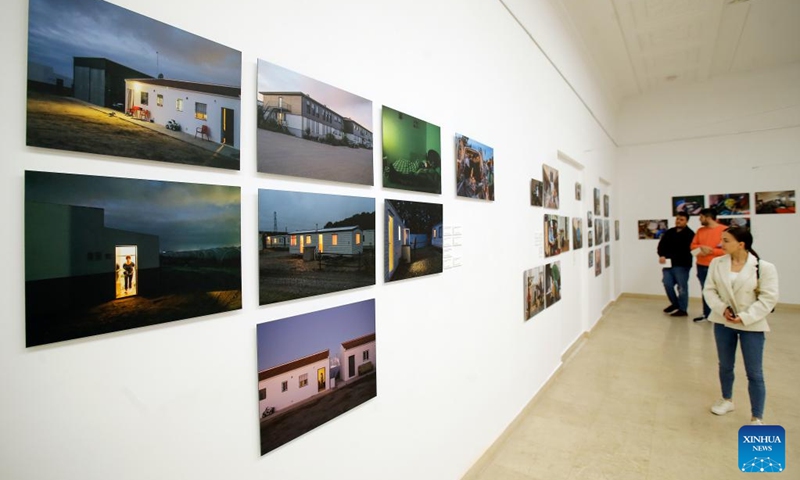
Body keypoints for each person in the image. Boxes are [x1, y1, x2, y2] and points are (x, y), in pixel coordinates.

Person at [702, 227, 778, 425]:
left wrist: (745, 317)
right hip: (723, 321)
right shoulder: (717, 263)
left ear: (741, 244)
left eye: (726, 240)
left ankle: (756, 416)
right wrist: (722, 309)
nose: (721, 244)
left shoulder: (764, 267)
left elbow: (768, 299)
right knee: (725, 365)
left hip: (751, 324)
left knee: (754, 372)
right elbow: (709, 290)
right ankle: (726, 399)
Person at [690, 208, 728, 322]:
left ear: (708, 217)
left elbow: (727, 250)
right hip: (701, 265)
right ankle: (707, 315)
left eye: (701, 217)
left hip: (719, 266)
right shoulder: (700, 231)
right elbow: (692, 248)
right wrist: (701, 248)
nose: (699, 219)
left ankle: (722, 313)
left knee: (721, 290)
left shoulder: (724, 230)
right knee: (705, 290)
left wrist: (711, 251)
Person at [657, 212, 694, 317]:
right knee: (667, 283)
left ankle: (683, 309)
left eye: (681, 219)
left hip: (682, 265)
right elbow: (661, 245)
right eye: (677, 219)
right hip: (668, 264)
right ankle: (675, 304)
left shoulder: (690, 234)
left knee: (682, 287)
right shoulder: (670, 232)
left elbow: (688, 250)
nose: (678, 221)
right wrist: (661, 255)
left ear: (686, 221)